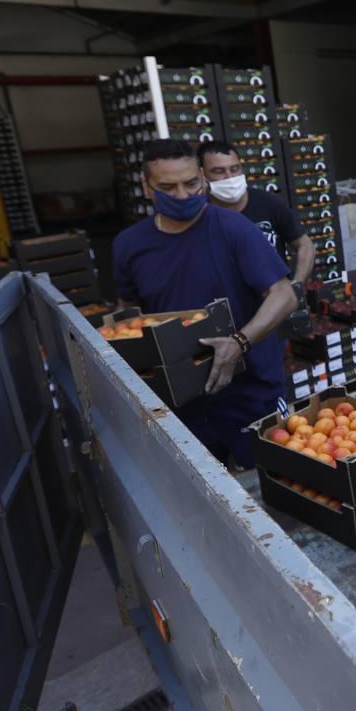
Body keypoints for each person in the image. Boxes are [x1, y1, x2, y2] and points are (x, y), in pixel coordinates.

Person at [113, 139, 298, 468]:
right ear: (146, 186)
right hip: (180, 401)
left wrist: (240, 342)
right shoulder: (130, 246)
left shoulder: (233, 229)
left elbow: (283, 295)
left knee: (274, 480)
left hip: (250, 392)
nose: (183, 195)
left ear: (202, 176)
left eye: (191, 183)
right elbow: (128, 314)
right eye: (168, 187)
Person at [197, 141, 314, 284]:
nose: (229, 177)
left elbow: (305, 244)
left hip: (277, 297)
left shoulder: (268, 203)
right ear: (202, 174)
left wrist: (298, 284)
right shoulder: (200, 213)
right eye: (218, 171)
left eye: (234, 169)